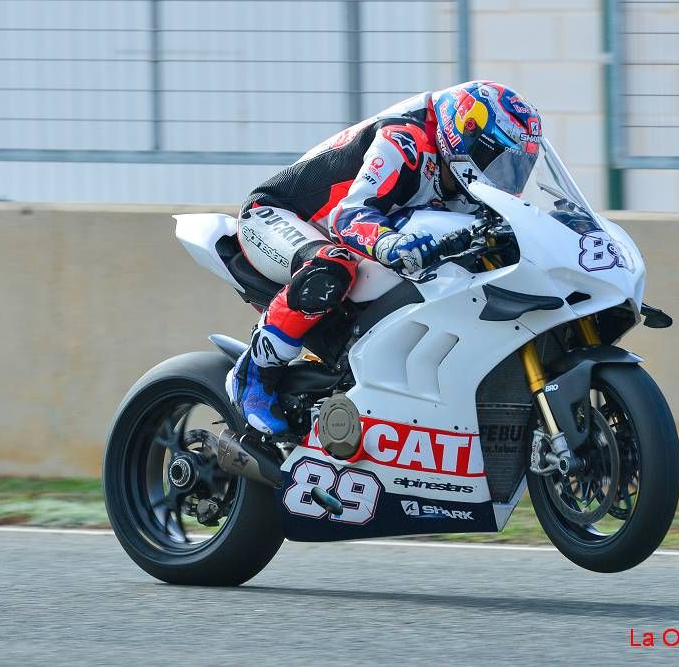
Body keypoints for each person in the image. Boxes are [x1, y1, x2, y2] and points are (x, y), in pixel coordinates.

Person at [228, 81, 543, 435]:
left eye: (516, 167)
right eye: (497, 160)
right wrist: (392, 245)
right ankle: (255, 372)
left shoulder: (471, 185)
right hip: (278, 215)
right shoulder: (404, 140)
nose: (504, 177)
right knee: (333, 265)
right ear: (465, 132)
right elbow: (348, 218)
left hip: (349, 231)